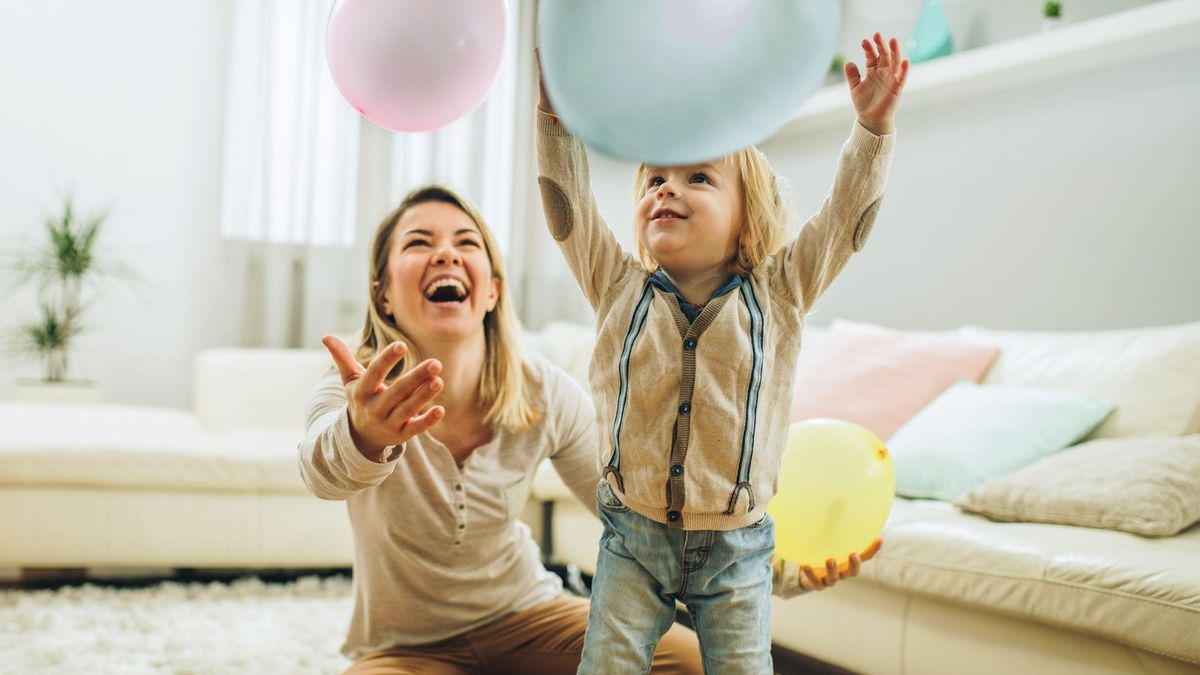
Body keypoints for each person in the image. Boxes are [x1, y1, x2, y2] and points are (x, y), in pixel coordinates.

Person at [535, 33, 910, 674]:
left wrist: (872, 130)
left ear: (746, 216)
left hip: (737, 546)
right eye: (655, 178)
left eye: (698, 177)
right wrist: (554, 116)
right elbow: (566, 206)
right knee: (606, 665)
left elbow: (846, 222)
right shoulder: (616, 284)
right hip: (633, 536)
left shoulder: (782, 291)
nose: (666, 190)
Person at [298, 185, 704, 674]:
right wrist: (364, 436)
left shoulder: (543, 389)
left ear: (491, 289)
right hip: (406, 649)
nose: (445, 253)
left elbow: (629, 508)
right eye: (418, 243)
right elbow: (321, 475)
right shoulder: (356, 390)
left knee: (690, 662)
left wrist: (764, 566)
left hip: (530, 616)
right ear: (383, 294)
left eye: (466, 243)